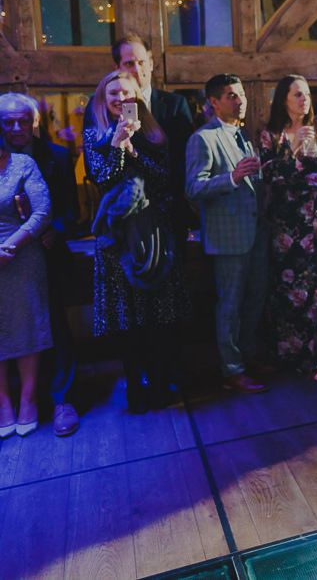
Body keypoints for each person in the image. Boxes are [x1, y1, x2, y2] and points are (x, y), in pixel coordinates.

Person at [84, 70, 190, 412]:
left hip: (153, 237)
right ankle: (135, 386)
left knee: (158, 315)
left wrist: (134, 148)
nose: (120, 99)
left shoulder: (155, 134)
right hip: (117, 244)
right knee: (125, 321)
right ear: (103, 100)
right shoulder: (94, 134)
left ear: (137, 99)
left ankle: (160, 382)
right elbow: (102, 179)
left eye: (126, 93)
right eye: (112, 93)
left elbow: (162, 180)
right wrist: (116, 144)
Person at [0, 93, 81, 436]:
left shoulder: (57, 157)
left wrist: (51, 232)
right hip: (6, 260)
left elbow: (72, 212)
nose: (16, 127)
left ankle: (62, 399)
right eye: (8, 121)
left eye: (23, 120)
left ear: (35, 122)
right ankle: (14, 402)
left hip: (45, 256)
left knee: (54, 327)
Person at [185, 74, 269, 394]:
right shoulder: (202, 139)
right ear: (214, 102)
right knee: (230, 305)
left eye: (241, 94)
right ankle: (231, 370)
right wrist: (231, 178)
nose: (240, 100)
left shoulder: (245, 136)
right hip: (228, 236)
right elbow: (193, 188)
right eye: (232, 96)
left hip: (257, 232)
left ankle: (249, 358)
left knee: (256, 299)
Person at [259, 74, 317, 374]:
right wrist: (295, 154)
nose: (304, 99)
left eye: (306, 94)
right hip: (287, 225)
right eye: (297, 94)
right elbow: (270, 178)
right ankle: (291, 357)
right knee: (290, 288)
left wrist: (301, 172)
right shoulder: (271, 135)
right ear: (284, 99)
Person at [84, 34, 194, 248]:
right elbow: (95, 171)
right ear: (118, 66)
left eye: (142, 62)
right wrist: (118, 143)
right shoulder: (97, 108)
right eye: (129, 63)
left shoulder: (175, 104)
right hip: (119, 221)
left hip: (167, 217)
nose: (137, 69)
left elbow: (183, 162)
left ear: (151, 64)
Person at [0, 134, 51, 437]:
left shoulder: (23, 164)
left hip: (21, 255)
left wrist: (9, 247)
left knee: (26, 324)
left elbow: (42, 212)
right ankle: (3, 403)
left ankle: (28, 400)